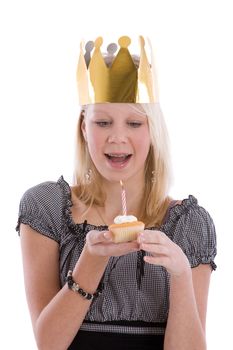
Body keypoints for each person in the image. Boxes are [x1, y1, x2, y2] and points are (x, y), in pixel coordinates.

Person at [16, 36, 217, 350]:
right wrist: (92, 260)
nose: (118, 137)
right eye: (103, 122)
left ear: (153, 130)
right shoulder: (47, 207)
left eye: (135, 123)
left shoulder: (189, 224)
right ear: (84, 128)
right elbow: (48, 344)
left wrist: (180, 274)